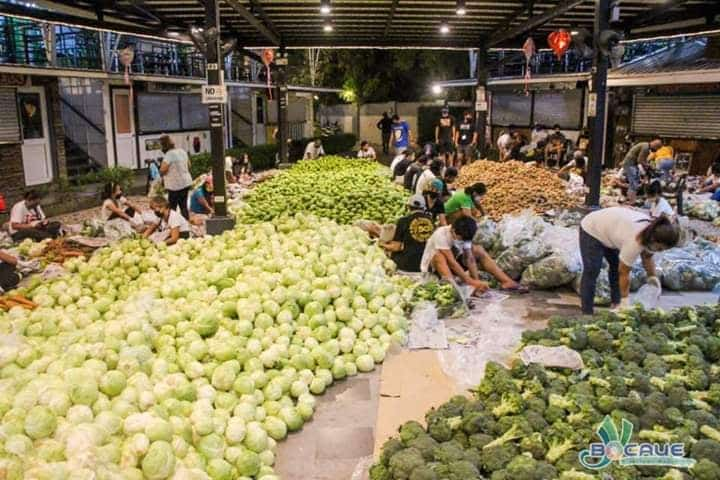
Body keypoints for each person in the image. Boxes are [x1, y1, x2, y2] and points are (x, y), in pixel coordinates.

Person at [579, 207, 680, 315]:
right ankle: (587, 311)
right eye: (660, 248)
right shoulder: (634, 241)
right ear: (654, 240)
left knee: (615, 264)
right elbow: (624, 272)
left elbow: (647, 256)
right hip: (592, 229)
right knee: (592, 270)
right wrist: (625, 299)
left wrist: (652, 277)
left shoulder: (652, 231)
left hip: (612, 229)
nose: (660, 251)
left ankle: (616, 304)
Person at [420, 216, 488, 292]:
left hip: (451, 265)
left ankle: (504, 281)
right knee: (439, 256)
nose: (461, 241)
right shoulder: (441, 234)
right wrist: (470, 281)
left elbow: (470, 259)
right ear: (453, 230)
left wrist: (476, 282)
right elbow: (452, 263)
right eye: (459, 238)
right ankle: (454, 289)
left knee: (477, 250)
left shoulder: (465, 235)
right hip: (433, 268)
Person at [380, 195, 435, 272]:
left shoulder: (403, 221)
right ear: (423, 207)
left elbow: (396, 247)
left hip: (407, 264)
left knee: (388, 254)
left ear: (409, 207)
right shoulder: (431, 220)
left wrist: (382, 244)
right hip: (426, 264)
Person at [159, 135, 193, 219]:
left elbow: (163, 170)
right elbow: (189, 165)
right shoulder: (182, 151)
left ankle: (173, 224)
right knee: (183, 206)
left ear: (163, 145)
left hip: (175, 185)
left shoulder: (169, 154)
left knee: (172, 207)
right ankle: (186, 224)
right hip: (186, 182)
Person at [623, 137, 662, 205]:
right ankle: (631, 201)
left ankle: (630, 198)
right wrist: (648, 166)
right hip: (630, 164)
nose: (656, 150)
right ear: (655, 146)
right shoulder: (646, 148)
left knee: (635, 181)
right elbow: (640, 160)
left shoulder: (646, 146)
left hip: (632, 164)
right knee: (634, 183)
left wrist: (647, 165)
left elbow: (642, 160)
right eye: (657, 149)